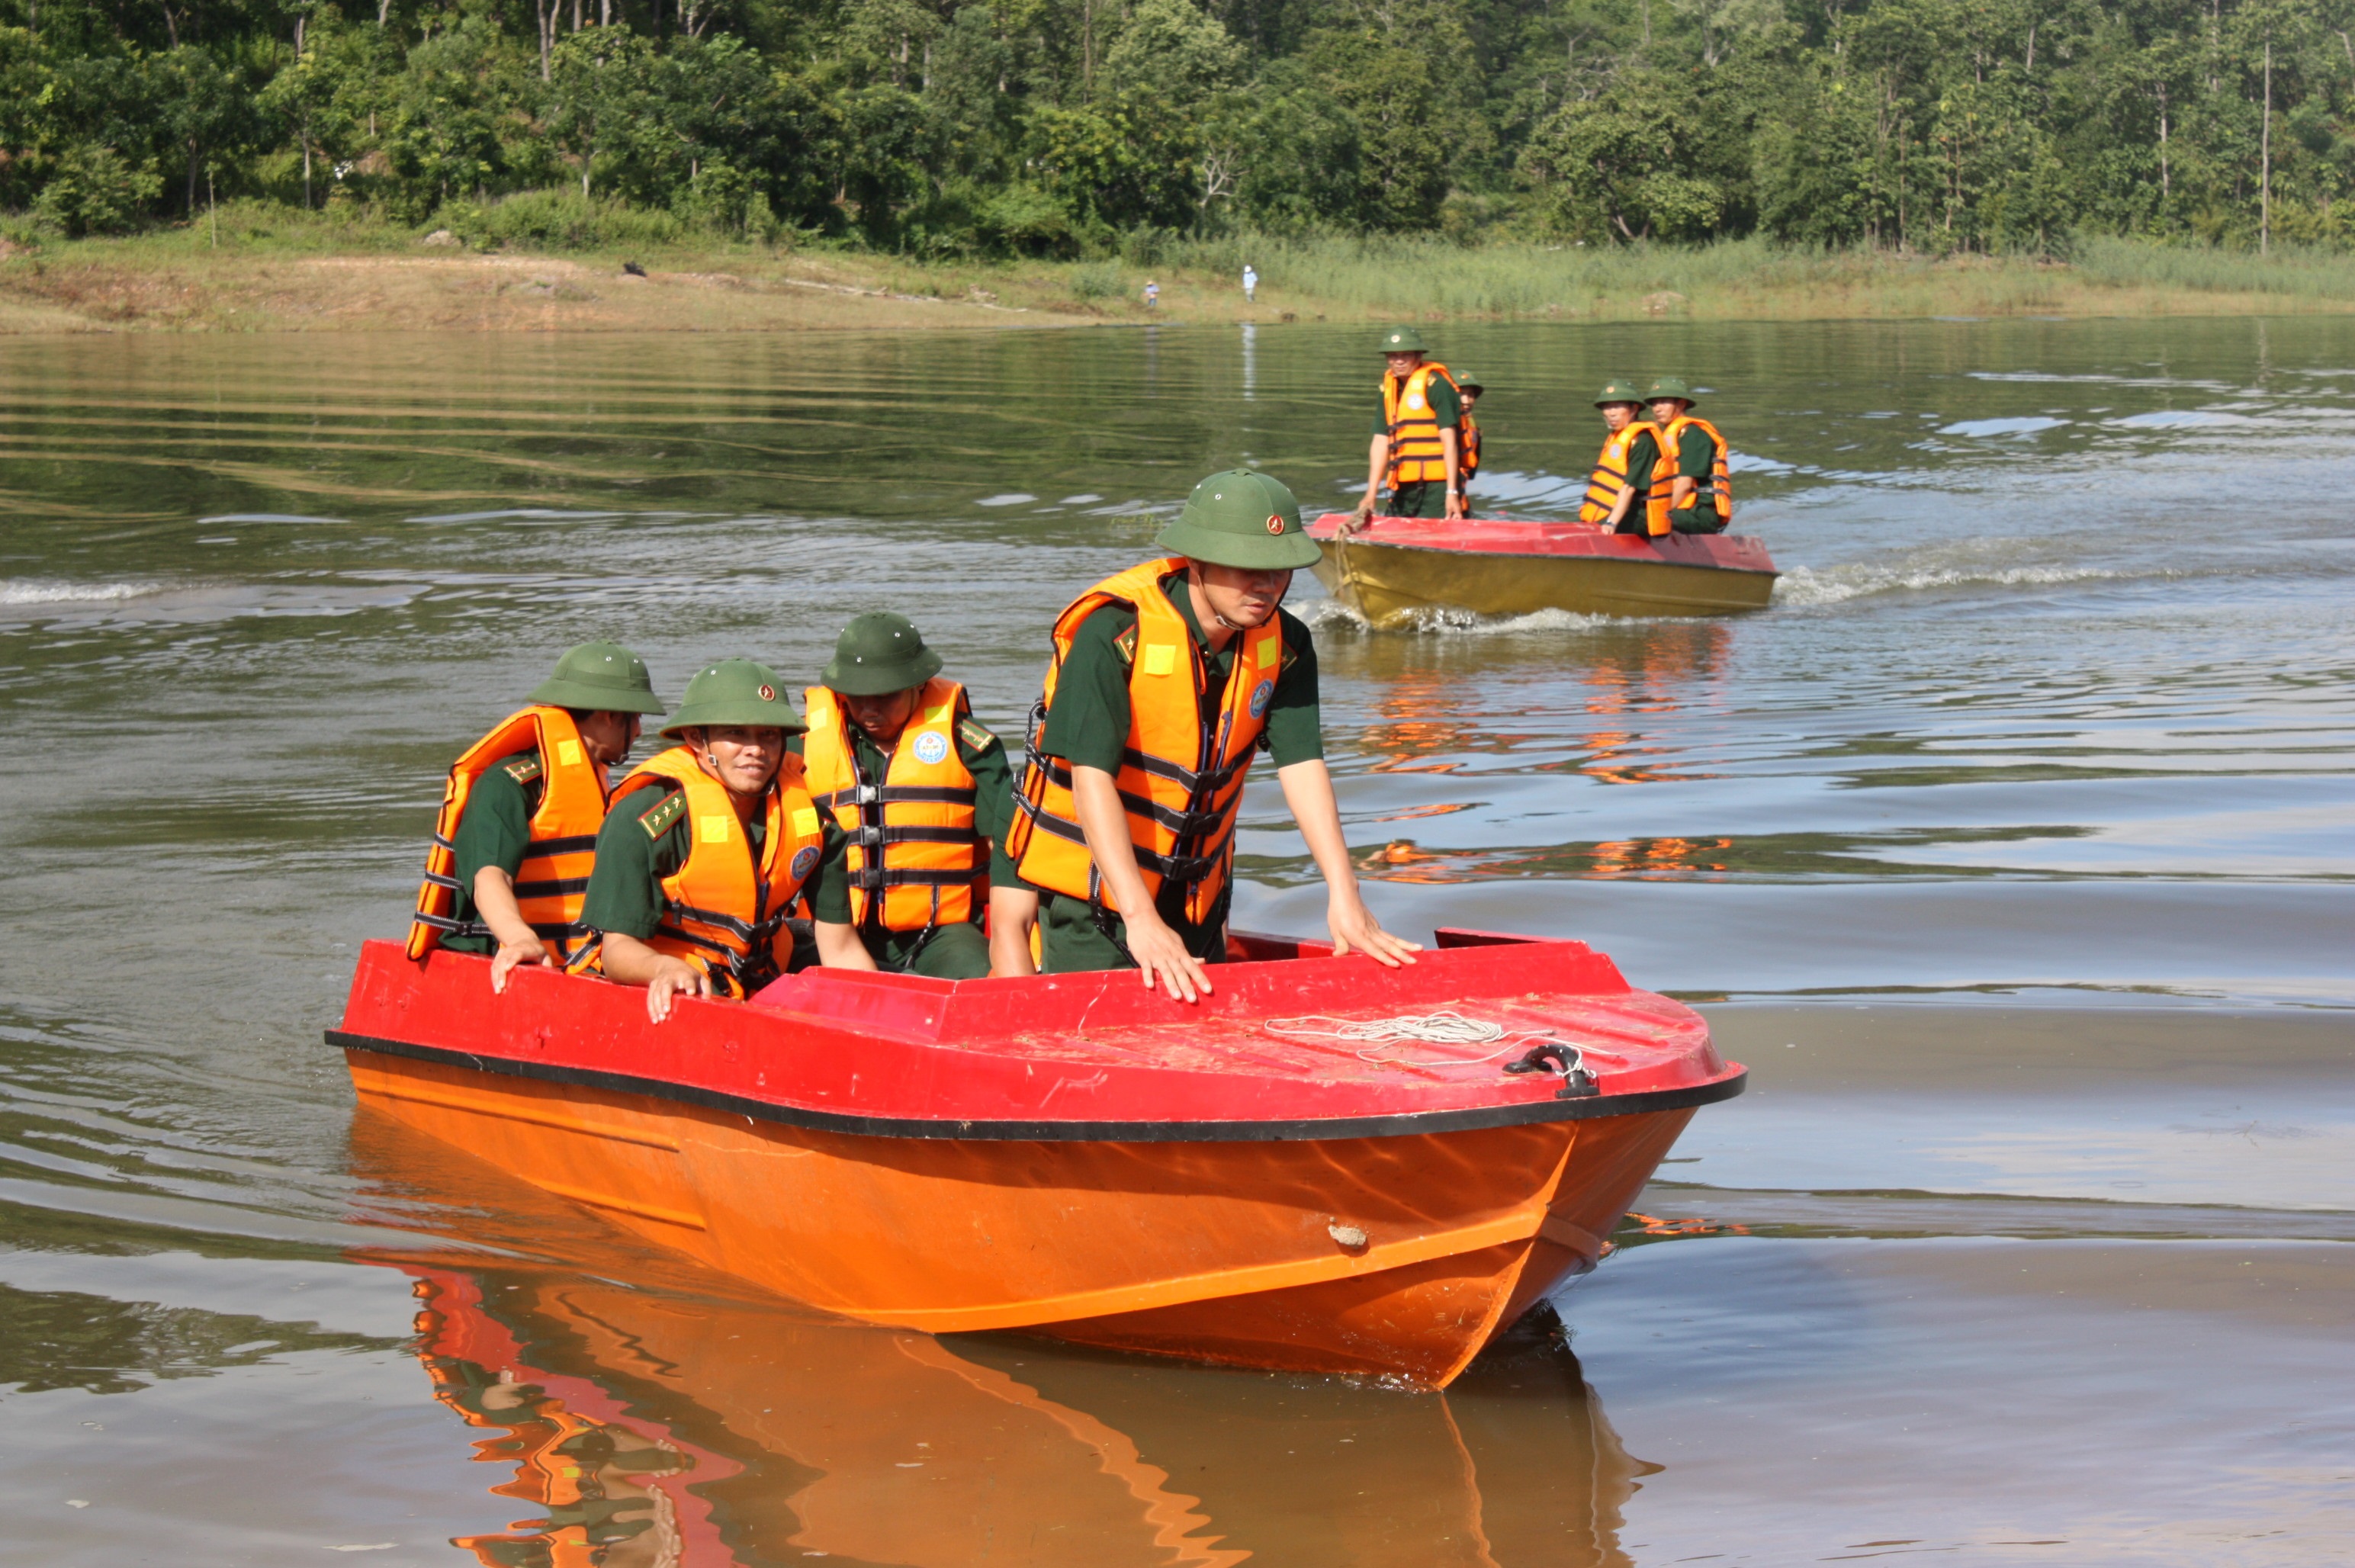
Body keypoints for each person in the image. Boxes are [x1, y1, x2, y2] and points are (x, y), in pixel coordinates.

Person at [1007, 468, 1421, 1001]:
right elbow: (1090, 779)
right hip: (1100, 898)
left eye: (1280, 569)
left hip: (1199, 890)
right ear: (1196, 560)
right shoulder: (1113, 632)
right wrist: (1141, 919)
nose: (1267, 585)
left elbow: (1302, 765)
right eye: (1247, 567)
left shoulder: (1287, 643)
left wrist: (1346, 895)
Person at [571, 658, 839, 1022]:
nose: (756, 750)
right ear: (697, 738)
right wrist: (662, 968)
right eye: (736, 734)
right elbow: (617, 950)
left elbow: (841, 948)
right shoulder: (645, 819)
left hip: (760, 979)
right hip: (669, 991)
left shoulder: (816, 824)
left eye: (769, 735)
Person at [408, 641, 666, 994]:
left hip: (581, 963)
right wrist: (519, 939)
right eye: (636, 717)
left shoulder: (602, 784)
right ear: (609, 715)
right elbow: (490, 875)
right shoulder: (508, 784)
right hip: (502, 961)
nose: (638, 731)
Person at [799, 612, 1036, 981]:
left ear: (919, 684)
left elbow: (1005, 847)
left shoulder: (969, 743)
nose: (868, 709)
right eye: (857, 697)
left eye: (885, 696)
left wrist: (1021, 944)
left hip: (939, 932)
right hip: (834, 927)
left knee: (975, 981)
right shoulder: (800, 746)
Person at [1354, 327, 1467, 523]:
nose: (1398, 361)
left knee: (1435, 533)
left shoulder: (1437, 385)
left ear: (1418, 355)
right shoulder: (1387, 389)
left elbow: (1450, 442)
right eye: (1392, 356)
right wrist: (1370, 494)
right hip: (1404, 483)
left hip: (1438, 484)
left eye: (1405, 355)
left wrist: (1451, 492)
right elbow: (1381, 440)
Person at [1640, 376, 1733, 535]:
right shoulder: (1669, 437)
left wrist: (1661, 514)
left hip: (1700, 513)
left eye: (1663, 402)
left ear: (1681, 404)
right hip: (1681, 509)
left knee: (1639, 519)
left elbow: (1684, 485)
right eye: (1654, 403)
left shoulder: (1693, 434)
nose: (1657, 408)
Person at [1582, 381, 1663, 535]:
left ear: (1634, 409)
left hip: (1638, 514)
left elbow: (1629, 488)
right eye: (1607, 407)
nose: (1611, 413)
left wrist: (1611, 523)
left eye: (1617, 406)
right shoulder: (1617, 437)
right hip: (1610, 509)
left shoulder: (1643, 441)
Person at [1454, 370, 1486, 500]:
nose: (1466, 401)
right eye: (1461, 394)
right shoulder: (1443, 425)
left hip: (1459, 489)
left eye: (1470, 395)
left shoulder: (1472, 426)